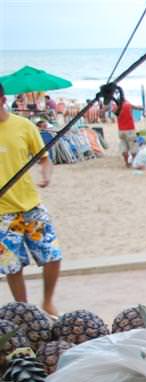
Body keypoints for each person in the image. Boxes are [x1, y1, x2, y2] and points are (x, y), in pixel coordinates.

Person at [0, 84, 62, 316]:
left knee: (52, 255)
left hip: (30, 205)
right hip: (2, 212)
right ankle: (26, 309)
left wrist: (46, 176)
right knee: (12, 265)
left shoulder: (23, 126)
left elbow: (44, 159)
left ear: (2, 99)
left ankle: (47, 301)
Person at [116, 99, 137, 168]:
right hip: (130, 129)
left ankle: (126, 163)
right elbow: (137, 107)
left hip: (121, 130)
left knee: (123, 147)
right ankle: (134, 162)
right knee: (133, 146)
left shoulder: (116, 108)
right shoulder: (128, 105)